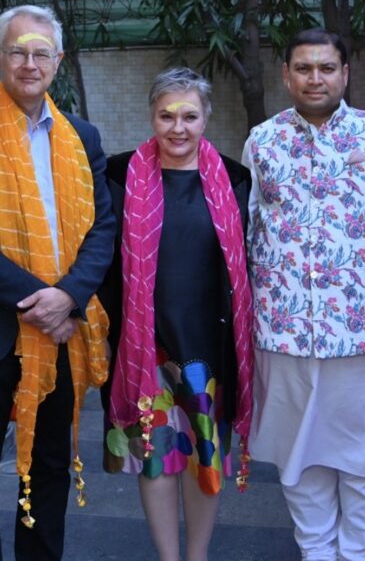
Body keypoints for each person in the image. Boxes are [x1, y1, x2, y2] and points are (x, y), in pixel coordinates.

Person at [242, 28, 365, 560]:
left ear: (345, 74)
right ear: (285, 75)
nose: (315, 78)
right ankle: (315, 552)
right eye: (303, 68)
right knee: (298, 456)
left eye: (326, 68)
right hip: (282, 334)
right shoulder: (262, 142)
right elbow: (245, 231)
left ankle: (359, 553)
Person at [0, 4, 115, 561]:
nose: (28, 62)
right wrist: (40, 300)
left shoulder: (82, 137)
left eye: (40, 52)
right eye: (17, 51)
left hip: (59, 331)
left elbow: (103, 228)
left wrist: (68, 296)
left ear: (58, 61)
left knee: (48, 469)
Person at [103, 68, 254, 561]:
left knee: (204, 457)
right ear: (152, 116)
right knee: (156, 458)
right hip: (142, 342)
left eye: (190, 115)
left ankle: (198, 556)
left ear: (206, 117)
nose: (178, 127)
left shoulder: (234, 178)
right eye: (166, 115)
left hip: (208, 344)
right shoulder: (117, 173)